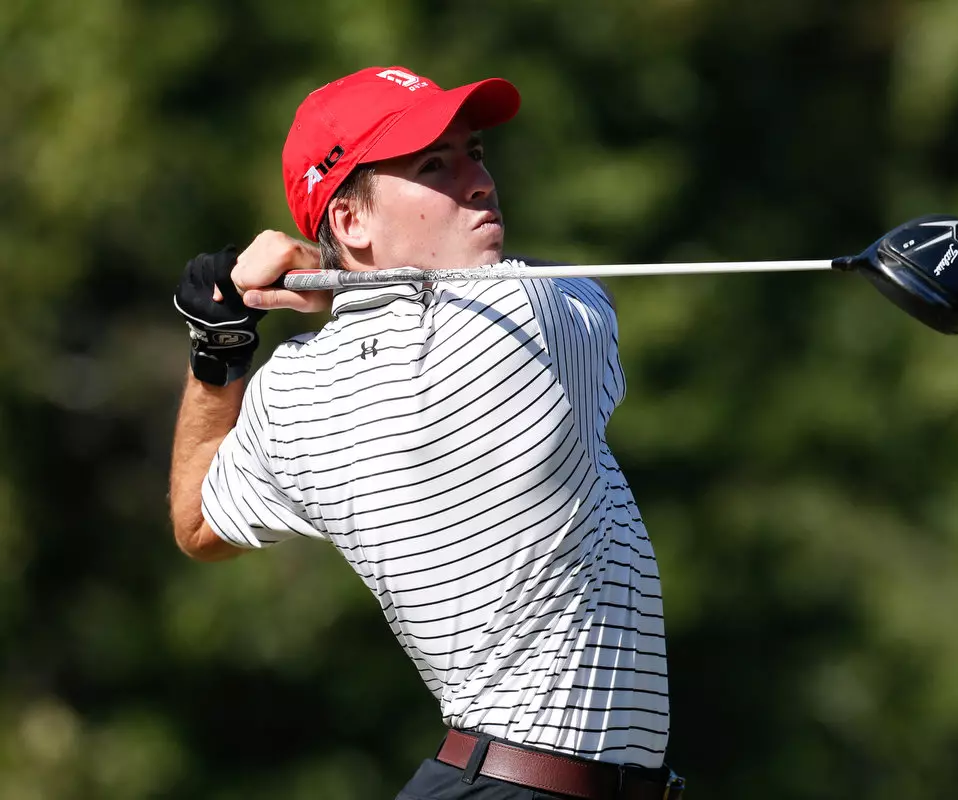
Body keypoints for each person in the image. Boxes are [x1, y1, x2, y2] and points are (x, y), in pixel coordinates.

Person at [169, 65, 685, 800]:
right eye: (434, 167)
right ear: (351, 221)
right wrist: (334, 274)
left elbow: (196, 522)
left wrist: (219, 345)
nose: (480, 182)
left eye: (473, 153)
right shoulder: (524, 320)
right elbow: (579, 286)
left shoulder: (291, 390)